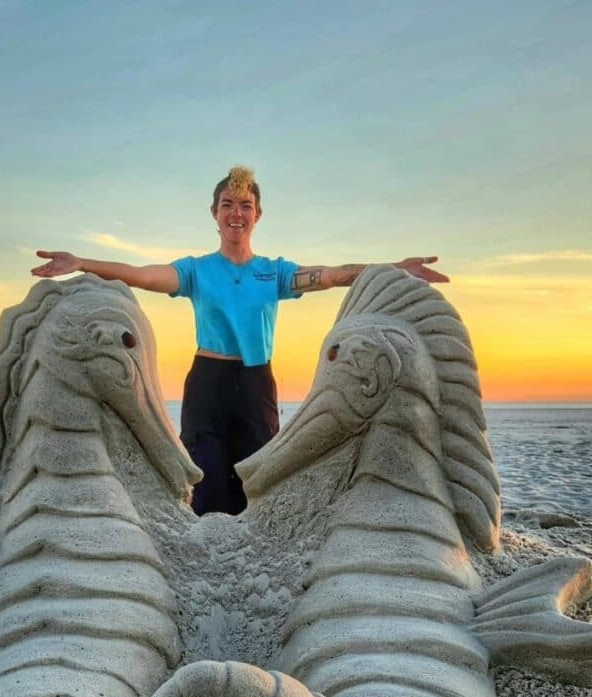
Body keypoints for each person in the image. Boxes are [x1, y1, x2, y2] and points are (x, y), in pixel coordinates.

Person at [31, 166, 448, 515]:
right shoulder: (196, 271)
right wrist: (81, 262)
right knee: (206, 485)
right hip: (208, 383)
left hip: (256, 385)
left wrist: (395, 267)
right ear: (214, 213)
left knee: (260, 481)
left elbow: (335, 274)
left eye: (245, 205)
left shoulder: (275, 272)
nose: (236, 213)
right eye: (227, 205)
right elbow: (141, 274)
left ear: (257, 215)